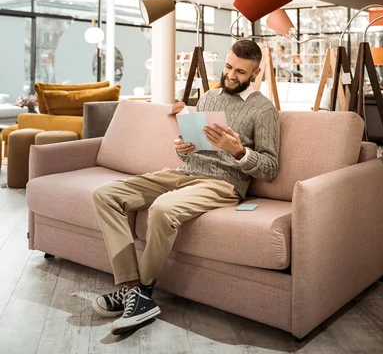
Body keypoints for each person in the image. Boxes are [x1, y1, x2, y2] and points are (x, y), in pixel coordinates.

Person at [91, 39, 280, 335]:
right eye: (229, 67)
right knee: (105, 194)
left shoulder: (264, 110)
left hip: (223, 183)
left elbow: (270, 168)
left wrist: (238, 151)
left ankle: (141, 291)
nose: (231, 75)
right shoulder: (208, 98)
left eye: (240, 72)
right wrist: (183, 147)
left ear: (255, 74)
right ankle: (132, 290)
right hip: (186, 172)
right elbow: (193, 152)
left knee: (162, 209)